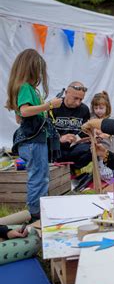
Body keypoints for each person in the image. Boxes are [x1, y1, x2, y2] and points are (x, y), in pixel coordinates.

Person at [5, 49, 63, 219]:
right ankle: (35, 213)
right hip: (33, 142)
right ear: (31, 68)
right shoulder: (25, 87)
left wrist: (43, 110)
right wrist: (49, 105)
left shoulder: (24, 88)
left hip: (32, 141)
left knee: (41, 176)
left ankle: (39, 210)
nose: (40, 74)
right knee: (38, 177)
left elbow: (18, 118)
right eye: (38, 69)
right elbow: (25, 111)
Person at [51, 81, 91, 172]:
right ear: (66, 93)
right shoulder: (54, 106)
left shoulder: (84, 109)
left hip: (74, 148)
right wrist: (60, 139)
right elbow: (45, 133)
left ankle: (72, 170)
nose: (78, 103)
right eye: (75, 98)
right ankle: (61, 170)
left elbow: (84, 133)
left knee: (93, 149)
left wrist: (89, 137)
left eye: (81, 99)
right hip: (57, 148)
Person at [90, 91, 114, 180]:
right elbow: (93, 131)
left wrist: (107, 134)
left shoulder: (110, 120)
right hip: (101, 146)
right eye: (96, 108)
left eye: (101, 108)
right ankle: (102, 165)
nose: (98, 111)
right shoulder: (93, 119)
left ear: (107, 108)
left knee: (113, 142)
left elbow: (113, 131)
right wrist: (97, 134)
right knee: (101, 146)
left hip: (112, 145)